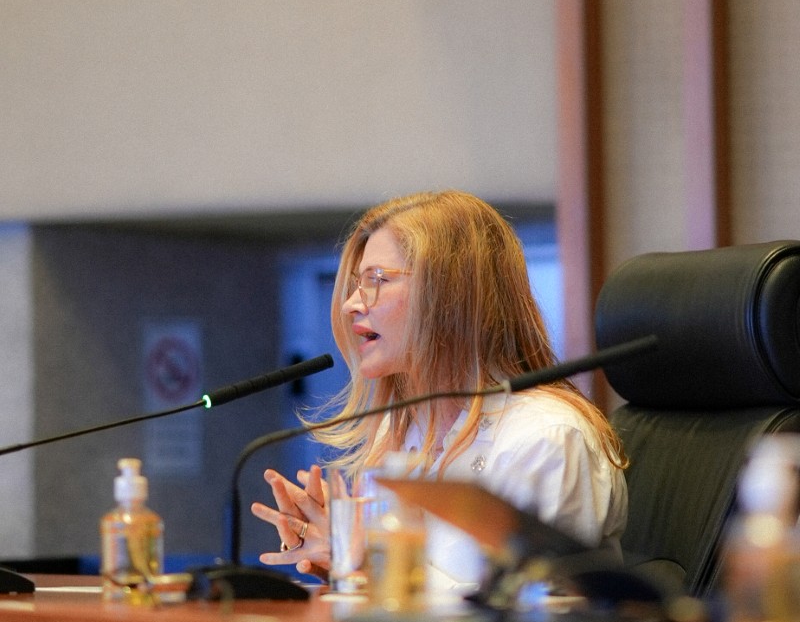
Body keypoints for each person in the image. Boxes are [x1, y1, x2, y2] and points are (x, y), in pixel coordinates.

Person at [251, 189, 628, 594]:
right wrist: (341, 561)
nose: (351, 305)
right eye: (357, 284)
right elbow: (386, 591)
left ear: (450, 295)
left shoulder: (547, 437)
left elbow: (527, 608)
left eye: (377, 280)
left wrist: (369, 565)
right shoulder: (399, 430)